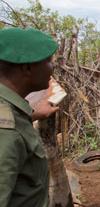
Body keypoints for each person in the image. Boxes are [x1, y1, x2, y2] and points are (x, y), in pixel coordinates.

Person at [0, 27, 59, 207]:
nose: (53, 66)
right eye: (49, 61)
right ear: (27, 68)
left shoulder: (12, 111)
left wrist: (32, 115)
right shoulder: (6, 132)